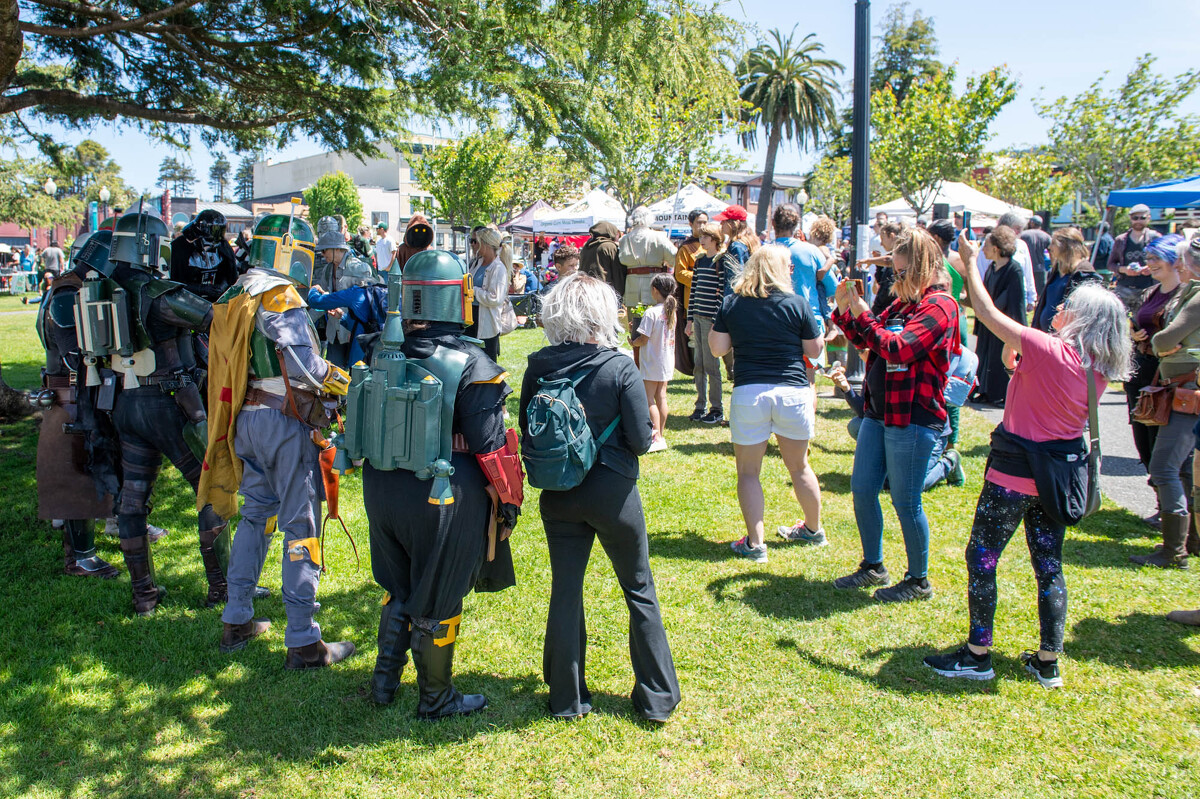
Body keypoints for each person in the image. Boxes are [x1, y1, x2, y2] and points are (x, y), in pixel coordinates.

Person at [924, 235, 1131, 688]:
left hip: (1013, 474)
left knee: (982, 556)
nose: (1060, 305)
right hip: (1056, 479)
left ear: (1083, 318)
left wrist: (970, 264)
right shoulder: (1095, 368)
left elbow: (987, 313)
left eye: (1069, 305)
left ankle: (978, 654)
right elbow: (1038, 386)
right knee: (1049, 563)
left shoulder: (1047, 348)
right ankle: (1048, 661)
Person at [352, 249, 520, 718]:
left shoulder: (380, 349)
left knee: (398, 584)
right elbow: (491, 447)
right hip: (442, 493)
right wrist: (509, 503)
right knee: (439, 593)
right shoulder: (474, 363)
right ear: (457, 297)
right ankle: (436, 698)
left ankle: (384, 684)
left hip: (382, 488)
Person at [521, 273, 680, 722]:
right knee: (638, 587)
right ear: (602, 313)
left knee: (566, 590)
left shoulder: (538, 366)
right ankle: (656, 698)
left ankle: (566, 698)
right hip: (613, 493)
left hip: (559, 492)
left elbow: (530, 433)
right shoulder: (619, 366)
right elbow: (642, 441)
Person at [200, 212, 355, 669]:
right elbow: (307, 367)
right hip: (281, 423)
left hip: (245, 420)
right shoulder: (278, 293)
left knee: (255, 519)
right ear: (290, 251)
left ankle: (237, 619)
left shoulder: (235, 293)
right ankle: (304, 640)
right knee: (300, 526)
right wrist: (350, 382)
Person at [99, 209, 230, 615]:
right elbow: (213, 318)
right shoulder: (155, 291)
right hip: (169, 403)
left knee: (133, 499)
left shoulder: (102, 286)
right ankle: (223, 589)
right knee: (211, 489)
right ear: (150, 247)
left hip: (124, 402)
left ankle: (144, 596)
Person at [831, 229, 960, 602]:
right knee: (862, 490)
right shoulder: (905, 304)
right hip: (879, 412)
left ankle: (918, 581)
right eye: (895, 272)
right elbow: (865, 339)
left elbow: (898, 348)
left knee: (905, 501)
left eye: (902, 272)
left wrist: (863, 313)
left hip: (914, 416)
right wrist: (846, 309)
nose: (896, 279)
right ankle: (873, 566)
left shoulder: (940, 306)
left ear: (923, 267)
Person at [704, 245, 825, 561]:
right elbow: (815, 351)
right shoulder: (797, 304)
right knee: (799, 466)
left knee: (748, 472)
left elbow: (717, 348)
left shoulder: (733, 303)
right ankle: (813, 530)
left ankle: (756, 544)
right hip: (793, 391)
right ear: (781, 269)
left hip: (751, 391)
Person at [34, 232, 120, 580]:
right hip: (70, 395)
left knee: (96, 464)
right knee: (75, 475)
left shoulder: (73, 286)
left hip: (80, 392)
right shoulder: (68, 293)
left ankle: (112, 526)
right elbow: (75, 356)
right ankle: (81, 557)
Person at [1131, 234, 1198, 569]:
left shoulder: (1196, 298)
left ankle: (1174, 552)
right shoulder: (1189, 294)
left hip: (1187, 392)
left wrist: (1167, 345)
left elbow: (1163, 340)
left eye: (1183, 260)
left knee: (1165, 467)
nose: (1180, 265)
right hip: (1179, 388)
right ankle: (1189, 542)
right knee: (1181, 468)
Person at [825, 363, 963, 490]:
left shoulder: (910, 366)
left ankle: (949, 462)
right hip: (897, 430)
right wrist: (846, 388)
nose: (862, 352)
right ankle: (890, 467)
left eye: (863, 349)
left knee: (911, 486)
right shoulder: (875, 366)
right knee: (858, 426)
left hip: (925, 431)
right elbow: (865, 412)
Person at [686, 222, 734, 424]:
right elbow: (694, 291)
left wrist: (716, 321)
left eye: (705, 237)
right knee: (698, 364)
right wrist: (689, 319)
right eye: (701, 236)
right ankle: (700, 405)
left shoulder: (720, 261)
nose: (702, 240)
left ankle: (716, 408)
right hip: (697, 317)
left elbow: (721, 294)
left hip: (710, 320)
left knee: (712, 365)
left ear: (715, 239)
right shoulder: (699, 261)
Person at [972, 227, 1026, 405]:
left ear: (996, 248)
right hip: (989, 322)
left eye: (986, 246)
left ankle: (1001, 394)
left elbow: (1016, 302)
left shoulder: (1014, 269)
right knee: (985, 354)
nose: (983, 250)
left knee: (999, 357)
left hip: (1004, 321)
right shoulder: (992, 268)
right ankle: (985, 391)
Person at [775, 204, 837, 339]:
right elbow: (832, 287)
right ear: (796, 225)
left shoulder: (763, 253)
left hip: (774, 320)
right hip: (810, 320)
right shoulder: (812, 251)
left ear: (773, 223)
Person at [631, 273, 677, 452]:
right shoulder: (671, 311)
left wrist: (633, 342)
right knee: (661, 396)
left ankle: (656, 437)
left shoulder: (651, 312)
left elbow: (643, 339)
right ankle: (661, 434)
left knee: (649, 399)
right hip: (666, 359)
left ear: (655, 290)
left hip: (652, 360)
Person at [1031, 228, 1104, 334]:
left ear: (1065, 247)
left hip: (1066, 336)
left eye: (1053, 243)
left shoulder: (1085, 274)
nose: (1050, 247)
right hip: (1045, 335)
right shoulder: (1056, 271)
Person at [170, 210, 239, 301]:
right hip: (186, 301)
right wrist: (200, 289)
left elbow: (231, 275)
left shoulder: (223, 246)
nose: (212, 245)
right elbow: (174, 282)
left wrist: (222, 287)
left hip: (216, 301)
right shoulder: (179, 246)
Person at [617, 207, 677, 311]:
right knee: (654, 317)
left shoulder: (624, 239)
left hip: (632, 286)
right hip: (653, 284)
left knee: (634, 318)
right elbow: (673, 257)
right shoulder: (659, 237)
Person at [975, 212, 1037, 311]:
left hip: (1019, 296)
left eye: (1021, 229)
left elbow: (1028, 272)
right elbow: (981, 272)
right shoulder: (988, 246)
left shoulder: (1022, 245)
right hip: (994, 297)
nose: (1019, 232)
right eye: (1017, 228)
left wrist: (1032, 298)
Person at [673, 209, 709, 376]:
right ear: (691, 224)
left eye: (705, 222)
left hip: (713, 297)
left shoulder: (714, 243)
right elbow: (680, 273)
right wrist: (702, 277)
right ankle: (697, 371)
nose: (702, 226)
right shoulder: (686, 248)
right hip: (693, 299)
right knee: (694, 336)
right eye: (699, 222)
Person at [1108, 204, 1162, 310]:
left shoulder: (1155, 238)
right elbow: (1110, 264)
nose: (1138, 221)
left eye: (1142, 218)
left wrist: (1151, 268)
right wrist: (1124, 269)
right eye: (1135, 218)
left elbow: (1164, 261)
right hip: (1124, 287)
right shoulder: (1121, 240)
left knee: (1145, 318)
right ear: (1130, 218)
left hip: (1148, 288)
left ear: (1149, 218)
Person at [472, 228, 514, 362]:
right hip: (471, 320)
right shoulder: (477, 263)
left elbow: (495, 298)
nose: (474, 245)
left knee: (487, 364)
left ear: (486, 244)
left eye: (476, 241)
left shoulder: (498, 268)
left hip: (486, 325)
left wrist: (473, 290)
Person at [858, 221, 903, 315]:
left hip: (890, 310)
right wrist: (878, 264)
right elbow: (881, 281)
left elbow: (889, 260)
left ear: (891, 236)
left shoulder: (900, 257)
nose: (881, 244)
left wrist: (870, 260)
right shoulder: (894, 256)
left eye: (882, 238)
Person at [579, 220, 623, 296]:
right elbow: (617, 273)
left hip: (586, 289)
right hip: (605, 290)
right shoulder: (609, 246)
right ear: (610, 232)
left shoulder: (586, 247)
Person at [1019, 215, 1052, 300]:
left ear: (1032, 223)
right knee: (1040, 293)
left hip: (1025, 267)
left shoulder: (1023, 235)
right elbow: (1052, 251)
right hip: (1040, 268)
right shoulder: (1046, 236)